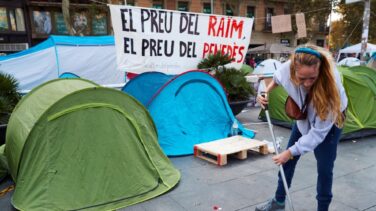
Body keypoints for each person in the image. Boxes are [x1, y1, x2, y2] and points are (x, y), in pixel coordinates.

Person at [255, 45, 348, 211]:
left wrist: (289, 152)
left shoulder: (331, 91)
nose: (307, 84)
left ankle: (323, 208)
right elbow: (276, 78)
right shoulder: (288, 68)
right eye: (302, 78)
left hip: (330, 124)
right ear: (293, 70)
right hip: (303, 117)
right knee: (288, 161)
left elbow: (317, 135)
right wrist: (266, 93)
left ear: (319, 70)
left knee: (325, 169)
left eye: (312, 78)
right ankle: (279, 201)